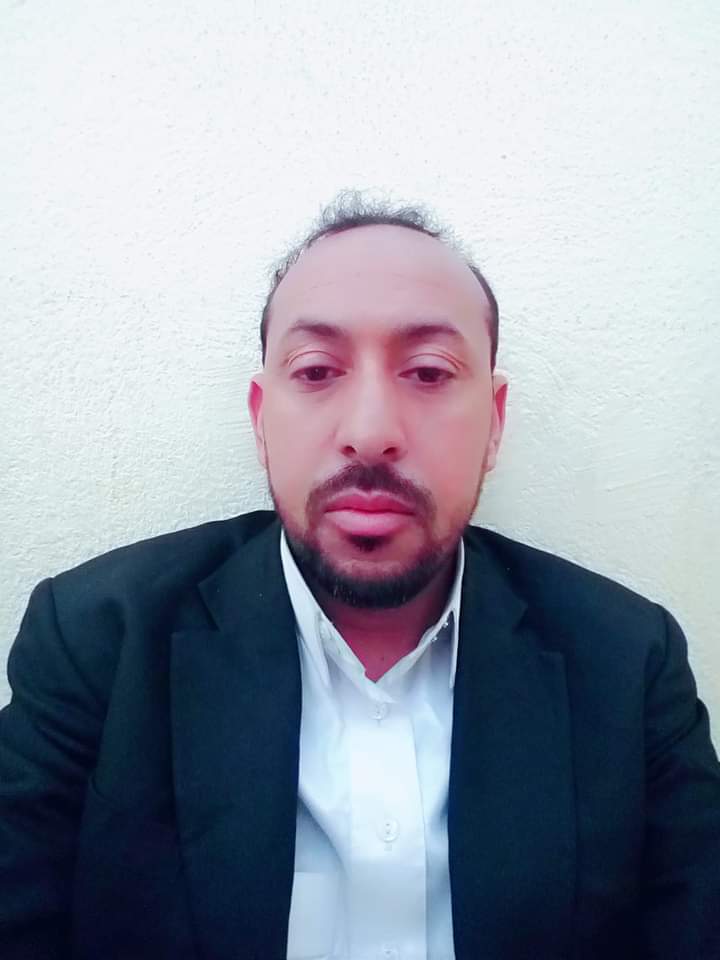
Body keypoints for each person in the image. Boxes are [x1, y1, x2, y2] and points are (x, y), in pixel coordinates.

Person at [1, 194, 719, 960]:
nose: (371, 433)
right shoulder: (96, 642)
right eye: (316, 371)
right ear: (261, 419)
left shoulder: (627, 662)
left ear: (496, 422)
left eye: (428, 372)